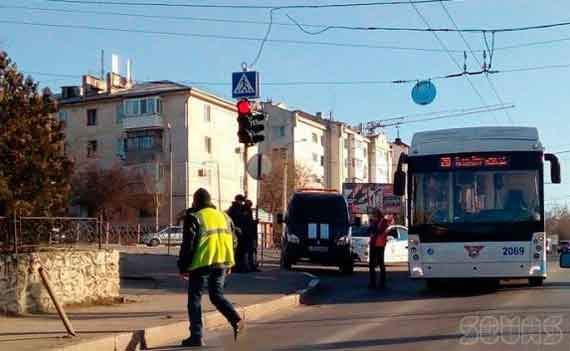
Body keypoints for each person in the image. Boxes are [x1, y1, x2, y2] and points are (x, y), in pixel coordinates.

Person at [178, 188, 244, 347]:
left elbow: (188, 245)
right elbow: (234, 241)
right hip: (222, 263)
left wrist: (183, 266)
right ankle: (236, 320)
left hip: (201, 264)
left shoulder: (195, 217)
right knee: (217, 296)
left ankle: (196, 336)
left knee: (194, 299)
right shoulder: (224, 217)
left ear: (196, 202)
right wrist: (229, 263)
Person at [368, 208, 389, 289]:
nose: (373, 215)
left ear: (378, 214)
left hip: (380, 245)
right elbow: (369, 230)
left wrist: (374, 227)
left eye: (374, 214)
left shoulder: (383, 221)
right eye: (373, 214)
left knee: (381, 264)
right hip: (373, 244)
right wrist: (372, 225)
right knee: (371, 265)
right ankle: (372, 283)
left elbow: (380, 231)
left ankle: (382, 283)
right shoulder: (373, 221)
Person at [227, 195, 248, 272]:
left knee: (241, 250)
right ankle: (236, 267)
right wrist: (236, 228)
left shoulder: (241, 208)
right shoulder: (233, 209)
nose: (242, 203)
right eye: (241, 201)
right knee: (237, 250)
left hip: (242, 231)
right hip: (236, 231)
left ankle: (241, 266)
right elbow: (232, 220)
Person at [244, 199, 261, 272]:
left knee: (252, 250)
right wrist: (254, 223)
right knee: (248, 251)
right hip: (247, 234)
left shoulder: (248, 211)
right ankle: (248, 266)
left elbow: (249, 222)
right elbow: (247, 223)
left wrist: (254, 222)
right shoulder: (245, 211)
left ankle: (251, 265)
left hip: (250, 234)